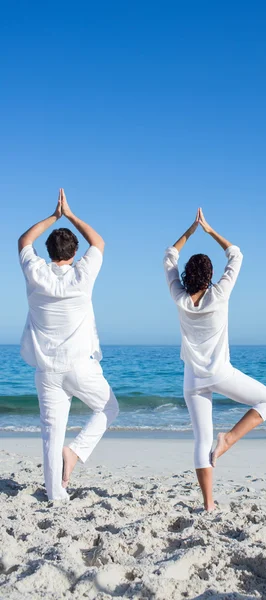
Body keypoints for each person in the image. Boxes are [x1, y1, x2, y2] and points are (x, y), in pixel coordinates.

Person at [163, 208, 266, 511]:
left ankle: (208, 504)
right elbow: (236, 256)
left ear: (187, 276)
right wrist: (210, 230)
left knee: (201, 441)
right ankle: (228, 438)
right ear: (211, 275)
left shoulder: (179, 298)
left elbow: (169, 258)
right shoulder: (220, 294)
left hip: (193, 379)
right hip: (220, 374)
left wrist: (189, 231)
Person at [18, 189, 119, 501]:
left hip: (46, 368)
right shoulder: (82, 275)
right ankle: (74, 452)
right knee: (109, 408)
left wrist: (53, 216)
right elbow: (99, 242)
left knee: (51, 434)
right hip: (79, 365)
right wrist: (71, 215)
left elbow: (23, 241)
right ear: (75, 253)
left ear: (48, 251)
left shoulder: (36, 274)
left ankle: (55, 493)